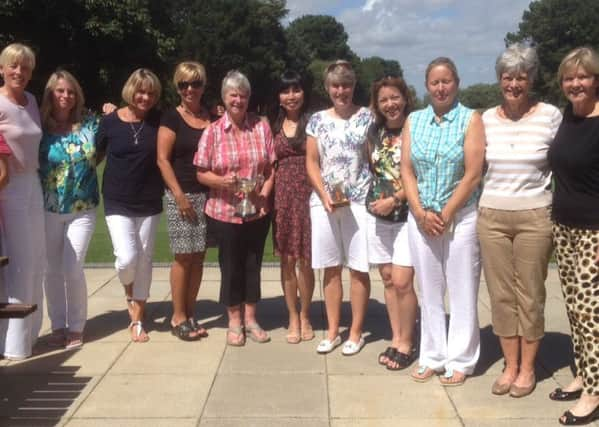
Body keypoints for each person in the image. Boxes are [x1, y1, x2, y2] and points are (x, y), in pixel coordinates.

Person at [477, 44, 562, 397]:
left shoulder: (551, 116)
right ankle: (509, 366)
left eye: (520, 77)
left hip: (534, 215)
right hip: (492, 215)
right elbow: (472, 168)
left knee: (530, 294)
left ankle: (528, 369)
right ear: (499, 80)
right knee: (500, 295)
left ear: (531, 79)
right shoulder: (484, 120)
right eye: (507, 77)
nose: (513, 84)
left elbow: (569, 163)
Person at [401, 57, 485, 385]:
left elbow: (473, 173)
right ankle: (433, 355)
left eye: (446, 81)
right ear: (426, 86)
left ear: (457, 82)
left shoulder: (470, 119)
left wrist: (446, 213)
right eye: (434, 82)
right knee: (430, 291)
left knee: (463, 288)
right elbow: (407, 170)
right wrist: (421, 212)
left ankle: (461, 358)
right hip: (421, 218)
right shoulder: (414, 120)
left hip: (460, 218)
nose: (440, 87)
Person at [195, 70, 275, 346]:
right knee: (231, 267)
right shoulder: (213, 131)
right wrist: (221, 181)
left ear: (249, 97)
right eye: (233, 95)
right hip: (225, 211)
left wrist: (264, 194)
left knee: (253, 265)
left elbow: (270, 167)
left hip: (256, 210)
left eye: (243, 95)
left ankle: (251, 318)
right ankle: (234, 321)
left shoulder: (261, 127)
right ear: (224, 98)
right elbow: (201, 172)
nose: (238, 100)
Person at [305, 60, 373, 356]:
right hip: (325, 202)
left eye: (346, 85)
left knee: (358, 268)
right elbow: (311, 162)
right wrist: (324, 195)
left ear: (353, 86)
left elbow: (373, 158)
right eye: (335, 85)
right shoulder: (317, 120)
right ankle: (333, 330)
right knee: (330, 268)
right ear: (327, 88)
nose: (341, 91)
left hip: (359, 201)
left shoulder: (367, 117)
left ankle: (355, 332)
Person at [548, 46, 599, 426]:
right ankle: (583, 373)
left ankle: (595, 392)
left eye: (583, 76)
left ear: (596, 79)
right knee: (574, 309)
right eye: (569, 77)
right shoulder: (569, 116)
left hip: (594, 231)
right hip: (564, 227)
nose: (575, 83)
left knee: (592, 312)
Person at [97, 68, 163, 343]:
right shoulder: (110, 121)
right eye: (140, 91)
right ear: (130, 91)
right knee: (126, 259)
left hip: (149, 201)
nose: (145, 97)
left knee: (145, 259)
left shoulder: (160, 120)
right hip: (117, 199)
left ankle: (137, 317)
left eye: (150, 92)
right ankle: (129, 292)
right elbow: (94, 156)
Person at [38, 70, 101, 350]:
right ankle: (58, 324)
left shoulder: (90, 124)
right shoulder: (39, 126)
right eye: (60, 91)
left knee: (72, 267)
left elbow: (116, 135)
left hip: (83, 207)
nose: (66, 96)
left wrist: (113, 109)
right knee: (51, 270)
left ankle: (76, 326)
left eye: (71, 91)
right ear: (51, 94)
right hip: (48, 208)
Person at [366, 75, 418, 370]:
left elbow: (420, 175)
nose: (390, 104)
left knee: (402, 281)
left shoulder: (416, 128)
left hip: (406, 215)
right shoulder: (375, 132)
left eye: (394, 97)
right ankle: (396, 337)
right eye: (384, 99)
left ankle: (408, 342)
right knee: (387, 279)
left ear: (405, 97)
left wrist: (395, 199)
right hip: (379, 216)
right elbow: (372, 170)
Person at [157, 62, 211, 341]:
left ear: (203, 85)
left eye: (195, 83)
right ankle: (178, 316)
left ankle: (191, 312)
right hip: (181, 194)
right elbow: (162, 160)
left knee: (199, 257)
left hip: (207, 195)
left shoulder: (210, 116)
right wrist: (179, 196)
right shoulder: (171, 117)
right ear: (177, 87)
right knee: (183, 257)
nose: (190, 89)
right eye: (183, 84)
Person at [0, 43, 45, 360]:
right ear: (2, 68)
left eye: (26, 68)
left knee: (37, 261)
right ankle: (14, 345)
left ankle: (29, 335)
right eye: (14, 66)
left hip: (33, 184)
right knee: (19, 263)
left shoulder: (31, 101)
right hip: (9, 186)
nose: (20, 72)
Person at [271, 70, 315, 344]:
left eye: (296, 90)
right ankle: (292, 315)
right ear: (278, 96)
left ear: (304, 93)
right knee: (287, 260)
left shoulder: (315, 122)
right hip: (282, 198)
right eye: (286, 91)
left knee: (306, 260)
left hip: (310, 195)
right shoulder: (271, 125)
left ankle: (307, 313)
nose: (291, 96)